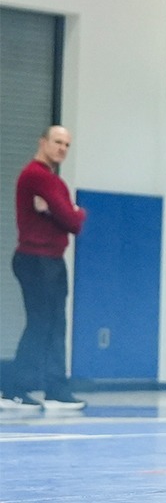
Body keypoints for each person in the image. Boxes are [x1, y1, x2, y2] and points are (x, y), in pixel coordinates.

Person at [4, 126, 87, 413]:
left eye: (67, 144)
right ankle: (14, 389)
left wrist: (57, 210)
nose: (62, 148)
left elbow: (66, 218)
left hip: (48, 259)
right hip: (37, 259)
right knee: (42, 324)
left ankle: (55, 389)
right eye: (57, 142)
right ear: (43, 142)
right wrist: (74, 210)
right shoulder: (38, 177)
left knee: (53, 325)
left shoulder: (50, 181)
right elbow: (72, 221)